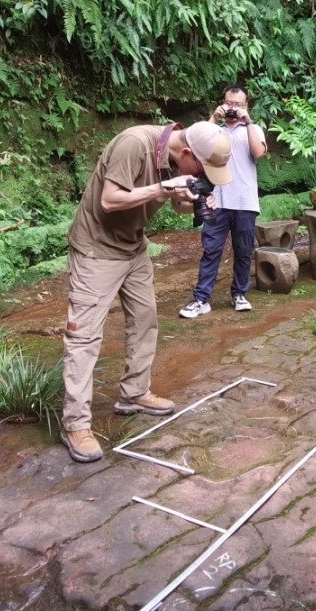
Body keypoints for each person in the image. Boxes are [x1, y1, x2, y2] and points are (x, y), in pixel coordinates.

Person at [60, 121, 232, 462]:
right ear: (186, 154)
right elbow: (110, 201)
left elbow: (175, 203)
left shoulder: (173, 158)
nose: (207, 175)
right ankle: (75, 424)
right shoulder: (134, 144)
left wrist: (191, 198)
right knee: (84, 337)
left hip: (133, 246)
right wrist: (164, 188)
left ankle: (134, 394)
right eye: (203, 170)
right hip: (97, 249)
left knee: (145, 320)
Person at [179, 85, 267, 318]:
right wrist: (213, 117)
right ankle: (201, 299)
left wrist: (247, 122)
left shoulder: (254, 128)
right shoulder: (213, 130)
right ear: (223, 102)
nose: (233, 108)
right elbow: (197, 147)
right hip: (215, 200)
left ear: (246, 106)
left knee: (244, 250)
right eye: (230, 103)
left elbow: (258, 153)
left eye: (239, 104)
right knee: (211, 250)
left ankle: (239, 294)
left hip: (245, 201)